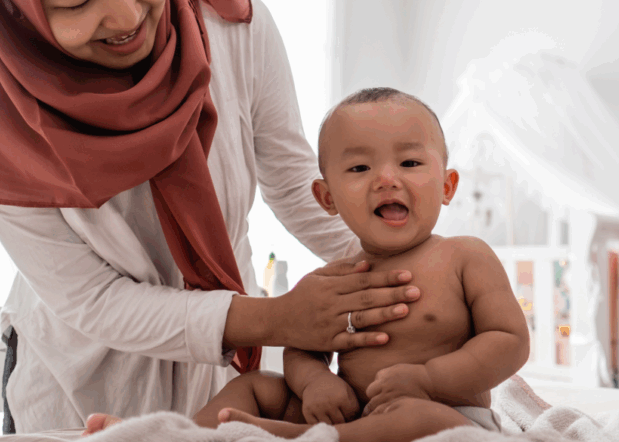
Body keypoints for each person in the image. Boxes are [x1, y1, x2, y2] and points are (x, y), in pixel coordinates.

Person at [0, 0, 419, 433]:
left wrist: (409, 271)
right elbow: (94, 301)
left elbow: (291, 182)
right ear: (11, 4)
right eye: (74, 1)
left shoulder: (235, 28)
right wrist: (276, 319)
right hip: (83, 374)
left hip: (222, 365)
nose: (125, 14)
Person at [85, 87, 531, 441]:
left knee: (419, 418)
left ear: (447, 185)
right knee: (258, 385)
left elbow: (509, 339)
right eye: (359, 168)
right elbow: (302, 346)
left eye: (410, 162)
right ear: (327, 198)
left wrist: (431, 379)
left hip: (445, 414)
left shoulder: (465, 256)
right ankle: (180, 437)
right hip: (352, 409)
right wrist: (317, 382)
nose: (386, 178)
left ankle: (315, 438)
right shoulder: (332, 281)